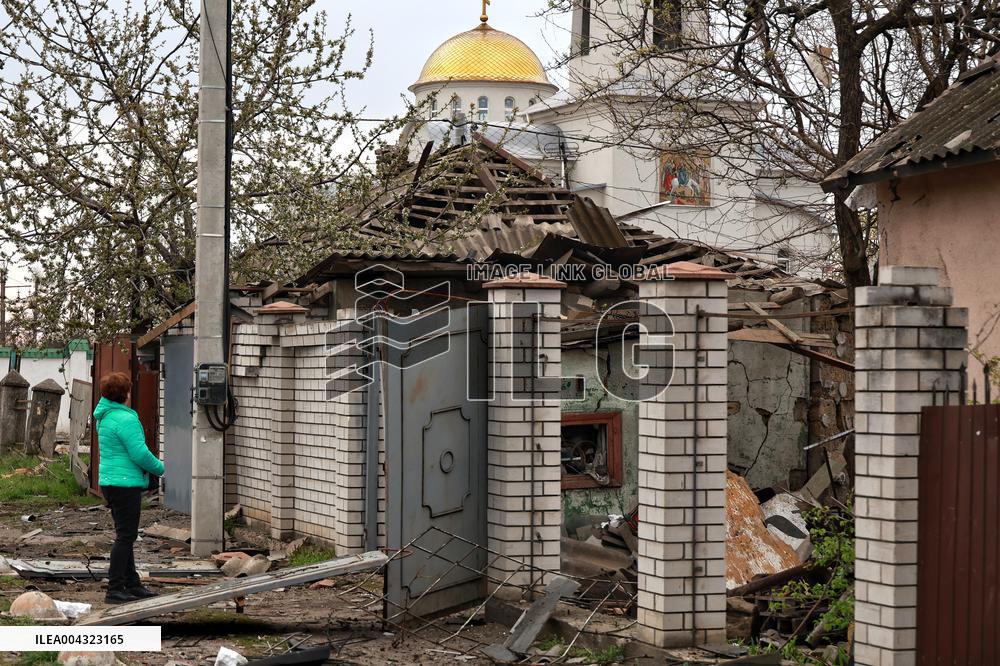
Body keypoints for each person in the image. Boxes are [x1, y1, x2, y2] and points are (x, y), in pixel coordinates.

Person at [94, 371, 164, 603]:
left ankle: (132, 583)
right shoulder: (125, 419)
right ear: (125, 393)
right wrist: (160, 468)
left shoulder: (105, 416)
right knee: (125, 537)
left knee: (125, 534)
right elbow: (139, 453)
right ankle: (114, 589)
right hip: (125, 484)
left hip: (110, 482)